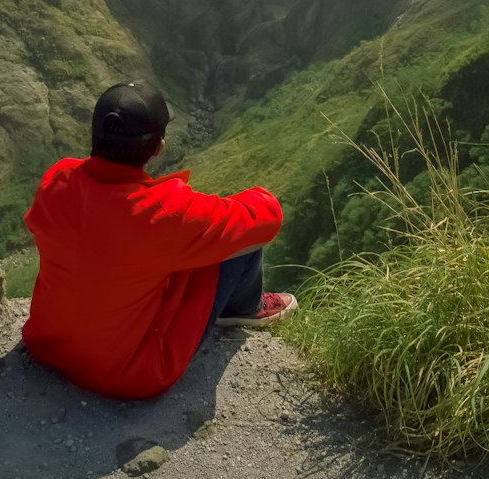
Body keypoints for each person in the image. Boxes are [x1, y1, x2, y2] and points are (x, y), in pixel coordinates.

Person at [21, 78, 297, 399]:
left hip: (47, 343)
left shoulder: (58, 177)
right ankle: (244, 310)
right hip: (129, 373)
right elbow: (267, 217)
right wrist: (232, 201)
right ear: (158, 147)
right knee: (235, 240)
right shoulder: (167, 211)